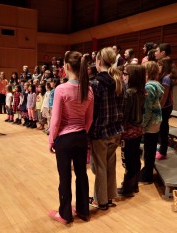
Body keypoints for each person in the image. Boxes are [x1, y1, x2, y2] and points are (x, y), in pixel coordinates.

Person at [48, 51, 93, 224]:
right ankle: (83, 210)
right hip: (81, 136)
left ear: (66, 67)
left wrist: (51, 139)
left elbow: (56, 119)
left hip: (64, 140)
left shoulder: (61, 89)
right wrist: (81, 132)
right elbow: (89, 118)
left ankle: (65, 214)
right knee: (82, 173)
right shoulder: (88, 89)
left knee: (65, 176)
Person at [89, 47, 125, 210]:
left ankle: (101, 201)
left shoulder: (95, 83)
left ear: (98, 62)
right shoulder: (119, 81)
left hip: (100, 132)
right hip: (116, 130)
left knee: (101, 168)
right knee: (110, 165)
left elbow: (93, 112)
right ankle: (109, 198)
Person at [118, 65, 145, 197]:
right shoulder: (141, 91)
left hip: (129, 131)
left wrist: (120, 130)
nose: (123, 76)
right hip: (139, 130)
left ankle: (127, 188)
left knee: (128, 159)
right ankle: (134, 185)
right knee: (135, 158)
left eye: (125, 74)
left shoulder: (129, 92)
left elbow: (125, 114)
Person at [139, 61, 164, 183]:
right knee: (151, 148)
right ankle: (147, 171)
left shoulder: (148, 86)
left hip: (151, 121)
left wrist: (143, 125)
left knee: (149, 150)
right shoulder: (157, 84)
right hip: (156, 120)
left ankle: (147, 175)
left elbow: (148, 109)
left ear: (147, 72)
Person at [155, 58, 177, 160]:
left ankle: (163, 152)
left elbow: (164, 97)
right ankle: (161, 149)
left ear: (164, 66)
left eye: (159, 65)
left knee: (163, 129)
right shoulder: (164, 77)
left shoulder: (166, 78)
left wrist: (158, 108)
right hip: (165, 106)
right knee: (162, 128)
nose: (158, 67)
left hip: (165, 107)